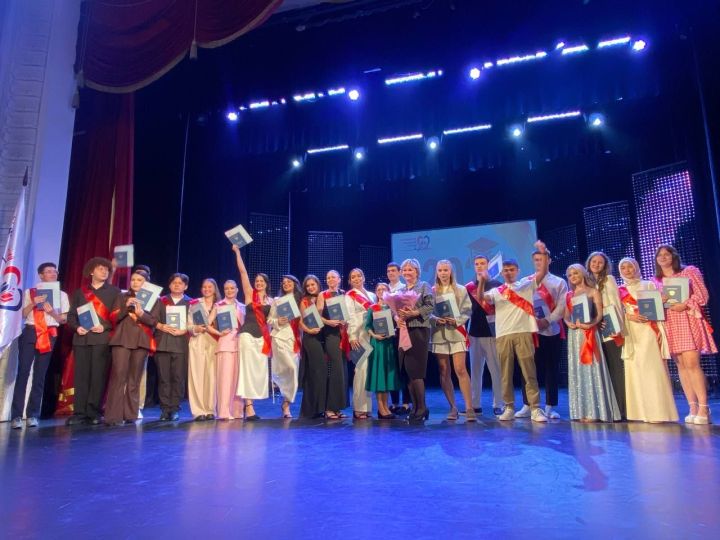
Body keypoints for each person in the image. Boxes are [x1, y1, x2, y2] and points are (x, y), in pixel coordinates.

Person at [482, 242, 550, 423]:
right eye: (505, 270)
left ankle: (535, 408)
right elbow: (483, 298)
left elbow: (542, 272)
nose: (509, 273)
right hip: (503, 335)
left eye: (512, 270)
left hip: (523, 333)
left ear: (518, 271)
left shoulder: (526, 285)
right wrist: (482, 281)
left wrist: (543, 252)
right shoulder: (496, 291)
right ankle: (509, 407)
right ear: (501, 273)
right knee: (505, 373)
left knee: (529, 372)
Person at [652, 245, 716, 424]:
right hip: (669, 323)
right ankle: (692, 406)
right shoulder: (655, 281)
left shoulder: (689, 271)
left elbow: (702, 296)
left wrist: (685, 304)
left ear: (674, 256)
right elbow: (653, 306)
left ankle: (704, 408)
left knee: (692, 364)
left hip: (687, 320)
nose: (663, 257)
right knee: (681, 366)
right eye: (659, 255)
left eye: (666, 254)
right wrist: (659, 301)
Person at [618, 258, 678, 423]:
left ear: (636, 267)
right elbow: (617, 312)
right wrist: (629, 316)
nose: (627, 270)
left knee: (653, 369)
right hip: (631, 332)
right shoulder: (619, 290)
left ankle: (659, 412)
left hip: (649, 330)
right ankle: (640, 413)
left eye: (630, 266)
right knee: (636, 370)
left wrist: (663, 301)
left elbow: (658, 307)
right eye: (623, 267)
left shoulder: (649, 284)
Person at [10, 263, 70, 429]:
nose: (53, 274)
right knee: (23, 373)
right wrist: (33, 303)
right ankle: (16, 415)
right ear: (41, 275)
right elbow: (22, 314)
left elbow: (63, 320)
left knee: (40, 375)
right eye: (48, 271)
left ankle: (33, 414)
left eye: (55, 271)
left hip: (49, 333)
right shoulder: (30, 292)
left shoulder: (62, 295)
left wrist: (52, 312)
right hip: (30, 332)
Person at [66, 257, 121, 425]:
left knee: (98, 376)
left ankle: (94, 412)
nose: (104, 272)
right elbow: (71, 316)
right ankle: (79, 413)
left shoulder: (114, 292)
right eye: (100, 269)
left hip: (102, 340)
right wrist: (77, 327)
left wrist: (104, 327)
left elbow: (117, 316)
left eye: (106, 269)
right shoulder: (80, 292)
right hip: (82, 339)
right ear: (91, 271)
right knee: (81, 376)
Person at [563, 264, 620, 423]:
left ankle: (596, 411)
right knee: (578, 369)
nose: (573, 277)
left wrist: (591, 324)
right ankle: (581, 411)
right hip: (575, 335)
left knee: (592, 367)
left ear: (582, 273)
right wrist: (568, 323)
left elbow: (599, 314)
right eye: (570, 275)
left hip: (589, 333)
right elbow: (566, 315)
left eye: (575, 273)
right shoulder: (569, 295)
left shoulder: (593, 291)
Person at [516, 248, 568, 420]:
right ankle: (528, 404)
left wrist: (548, 320)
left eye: (543, 259)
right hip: (531, 331)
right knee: (528, 369)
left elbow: (562, 306)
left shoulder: (559, 282)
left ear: (549, 261)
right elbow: (519, 303)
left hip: (552, 330)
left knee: (551, 369)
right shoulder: (526, 281)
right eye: (537, 260)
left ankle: (550, 406)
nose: (540, 262)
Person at [105, 269, 161, 426]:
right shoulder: (122, 296)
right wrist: (125, 307)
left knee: (134, 379)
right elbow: (113, 317)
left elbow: (154, 321)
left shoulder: (154, 299)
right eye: (133, 280)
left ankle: (130, 414)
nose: (135, 282)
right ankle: (113, 416)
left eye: (139, 280)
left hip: (141, 340)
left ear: (146, 283)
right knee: (118, 376)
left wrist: (141, 314)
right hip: (122, 339)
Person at [430, 259, 474, 421]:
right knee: (444, 370)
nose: (443, 273)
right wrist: (436, 319)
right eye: (440, 270)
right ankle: (453, 407)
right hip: (439, 334)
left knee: (460, 369)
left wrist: (457, 320)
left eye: (445, 270)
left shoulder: (460, 289)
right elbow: (428, 312)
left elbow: (467, 310)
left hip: (456, 332)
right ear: (436, 272)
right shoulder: (432, 291)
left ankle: (469, 407)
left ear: (451, 272)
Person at [586, 251, 626, 419]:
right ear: (589, 263)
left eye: (600, 262)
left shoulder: (609, 280)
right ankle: (604, 409)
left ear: (604, 265)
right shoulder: (585, 281)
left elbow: (615, 303)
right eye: (594, 261)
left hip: (608, 329)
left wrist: (614, 325)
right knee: (600, 371)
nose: (596, 264)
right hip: (591, 331)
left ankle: (620, 410)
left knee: (615, 369)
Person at [233, 245, 271, 421]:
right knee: (247, 369)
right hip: (247, 335)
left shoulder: (272, 301)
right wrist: (238, 252)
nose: (258, 283)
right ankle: (249, 406)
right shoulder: (249, 294)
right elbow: (243, 273)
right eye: (257, 281)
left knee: (259, 371)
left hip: (262, 338)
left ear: (266, 284)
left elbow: (274, 321)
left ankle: (251, 402)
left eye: (262, 281)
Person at [396, 258, 434, 422]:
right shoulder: (401, 290)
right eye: (404, 270)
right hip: (404, 331)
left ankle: (422, 408)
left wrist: (414, 313)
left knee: (416, 370)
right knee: (408, 371)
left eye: (410, 269)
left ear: (417, 271)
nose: (407, 272)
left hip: (419, 331)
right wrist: (398, 318)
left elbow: (430, 306)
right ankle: (415, 407)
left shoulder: (424, 286)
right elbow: (396, 311)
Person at [466, 255, 503, 416]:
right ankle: (475, 404)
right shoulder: (469, 287)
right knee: (475, 371)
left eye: (482, 263)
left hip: (492, 333)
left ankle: (498, 403)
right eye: (477, 264)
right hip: (474, 332)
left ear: (488, 265)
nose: (479, 266)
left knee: (496, 370)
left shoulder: (497, 285)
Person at [154, 273, 192, 421]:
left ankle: (175, 408)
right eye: (174, 283)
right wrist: (161, 326)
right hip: (163, 343)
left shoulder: (191, 302)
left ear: (185, 286)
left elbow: (197, 323)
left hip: (181, 344)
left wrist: (185, 330)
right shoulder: (161, 301)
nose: (177, 285)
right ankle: (165, 409)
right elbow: (153, 319)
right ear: (169, 285)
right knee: (164, 378)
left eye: (180, 283)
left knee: (178, 378)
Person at [268, 274, 303, 418]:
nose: (286, 284)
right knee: (290, 368)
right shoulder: (278, 300)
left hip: (294, 340)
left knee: (294, 372)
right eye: (284, 283)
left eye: (289, 282)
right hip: (279, 338)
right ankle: (277, 381)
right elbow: (269, 319)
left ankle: (286, 404)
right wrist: (278, 321)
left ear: (295, 283)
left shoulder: (301, 300)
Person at [365, 282, 401, 419]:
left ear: (388, 291)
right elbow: (368, 326)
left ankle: (386, 406)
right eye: (378, 289)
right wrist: (375, 335)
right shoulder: (372, 308)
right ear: (376, 292)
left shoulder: (392, 308)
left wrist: (394, 330)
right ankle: (381, 407)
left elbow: (397, 325)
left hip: (389, 344)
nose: (381, 291)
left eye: (384, 289)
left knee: (386, 376)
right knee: (380, 375)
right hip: (378, 344)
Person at [317, 270, 350, 419]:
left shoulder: (344, 294)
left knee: (342, 370)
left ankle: (338, 408)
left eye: (333, 277)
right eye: (328, 277)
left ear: (339, 279)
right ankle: (329, 408)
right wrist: (329, 322)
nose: (330, 279)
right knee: (336, 369)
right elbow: (317, 316)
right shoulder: (322, 295)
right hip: (331, 335)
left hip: (343, 335)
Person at [212, 279, 245, 421]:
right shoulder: (219, 305)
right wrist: (218, 333)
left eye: (232, 288)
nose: (229, 291)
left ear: (237, 289)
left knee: (237, 380)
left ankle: (237, 411)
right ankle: (224, 412)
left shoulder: (242, 306)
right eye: (226, 288)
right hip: (225, 345)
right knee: (225, 380)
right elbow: (207, 323)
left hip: (240, 345)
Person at [187, 278, 220, 421]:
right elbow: (188, 325)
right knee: (197, 376)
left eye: (210, 287)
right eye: (204, 287)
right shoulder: (195, 304)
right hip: (198, 341)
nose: (207, 289)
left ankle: (210, 409)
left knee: (212, 377)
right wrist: (195, 328)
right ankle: (198, 410)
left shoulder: (220, 305)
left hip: (214, 343)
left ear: (215, 289)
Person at [346, 268, 376, 419]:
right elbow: (350, 317)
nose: (356, 278)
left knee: (369, 371)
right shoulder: (349, 295)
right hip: (358, 336)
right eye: (353, 277)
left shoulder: (372, 295)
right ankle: (359, 407)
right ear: (350, 281)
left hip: (372, 335)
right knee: (360, 370)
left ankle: (367, 407)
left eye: (359, 276)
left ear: (363, 277)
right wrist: (352, 336)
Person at [298, 275, 328, 419]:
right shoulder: (304, 301)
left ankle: (319, 408)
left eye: (312, 284)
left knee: (320, 373)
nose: (310, 287)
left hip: (324, 337)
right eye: (308, 285)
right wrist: (309, 331)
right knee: (316, 372)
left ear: (318, 285)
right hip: (311, 338)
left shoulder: (325, 297)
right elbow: (300, 322)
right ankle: (312, 409)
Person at [386, 261, 411, 415]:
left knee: (404, 367)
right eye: (388, 271)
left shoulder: (405, 288)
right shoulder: (384, 289)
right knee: (392, 368)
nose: (391, 273)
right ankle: (394, 402)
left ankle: (407, 402)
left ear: (400, 272)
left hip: (402, 332)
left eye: (393, 271)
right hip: (387, 333)